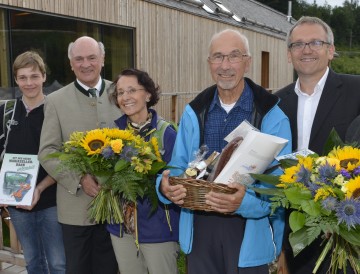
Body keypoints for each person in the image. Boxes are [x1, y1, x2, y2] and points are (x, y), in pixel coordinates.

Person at [156, 29, 292, 274]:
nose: (225, 65)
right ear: (209, 63)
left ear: (248, 62)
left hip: (248, 231)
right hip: (200, 229)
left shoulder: (272, 115)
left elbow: (281, 186)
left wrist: (244, 203)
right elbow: (177, 167)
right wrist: (164, 188)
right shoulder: (194, 112)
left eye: (234, 56)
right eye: (218, 57)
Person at [276, 16, 360, 274]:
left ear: (331, 50)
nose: (307, 49)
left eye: (315, 42)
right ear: (289, 54)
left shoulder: (356, 90)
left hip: (347, 234)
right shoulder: (277, 102)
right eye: (298, 44)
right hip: (298, 233)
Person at [38, 36, 119, 274]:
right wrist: (79, 178)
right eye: (79, 59)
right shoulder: (55, 101)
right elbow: (48, 151)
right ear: (71, 63)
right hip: (75, 211)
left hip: (116, 207)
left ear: (102, 60)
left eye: (92, 57)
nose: (86, 64)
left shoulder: (121, 93)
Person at [107, 68, 180, 274]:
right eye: (120, 93)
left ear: (148, 94)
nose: (125, 97)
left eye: (131, 90)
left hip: (158, 228)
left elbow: (177, 180)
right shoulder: (112, 134)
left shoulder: (166, 133)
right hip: (121, 229)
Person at [0, 51, 66, 274]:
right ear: (16, 80)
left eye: (34, 76)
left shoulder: (55, 111)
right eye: (23, 77)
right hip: (17, 202)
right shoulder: (6, 112)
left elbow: (65, 159)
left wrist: (39, 187)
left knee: (58, 263)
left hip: (51, 200)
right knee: (33, 261)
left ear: (44, 77)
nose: (29, 83)